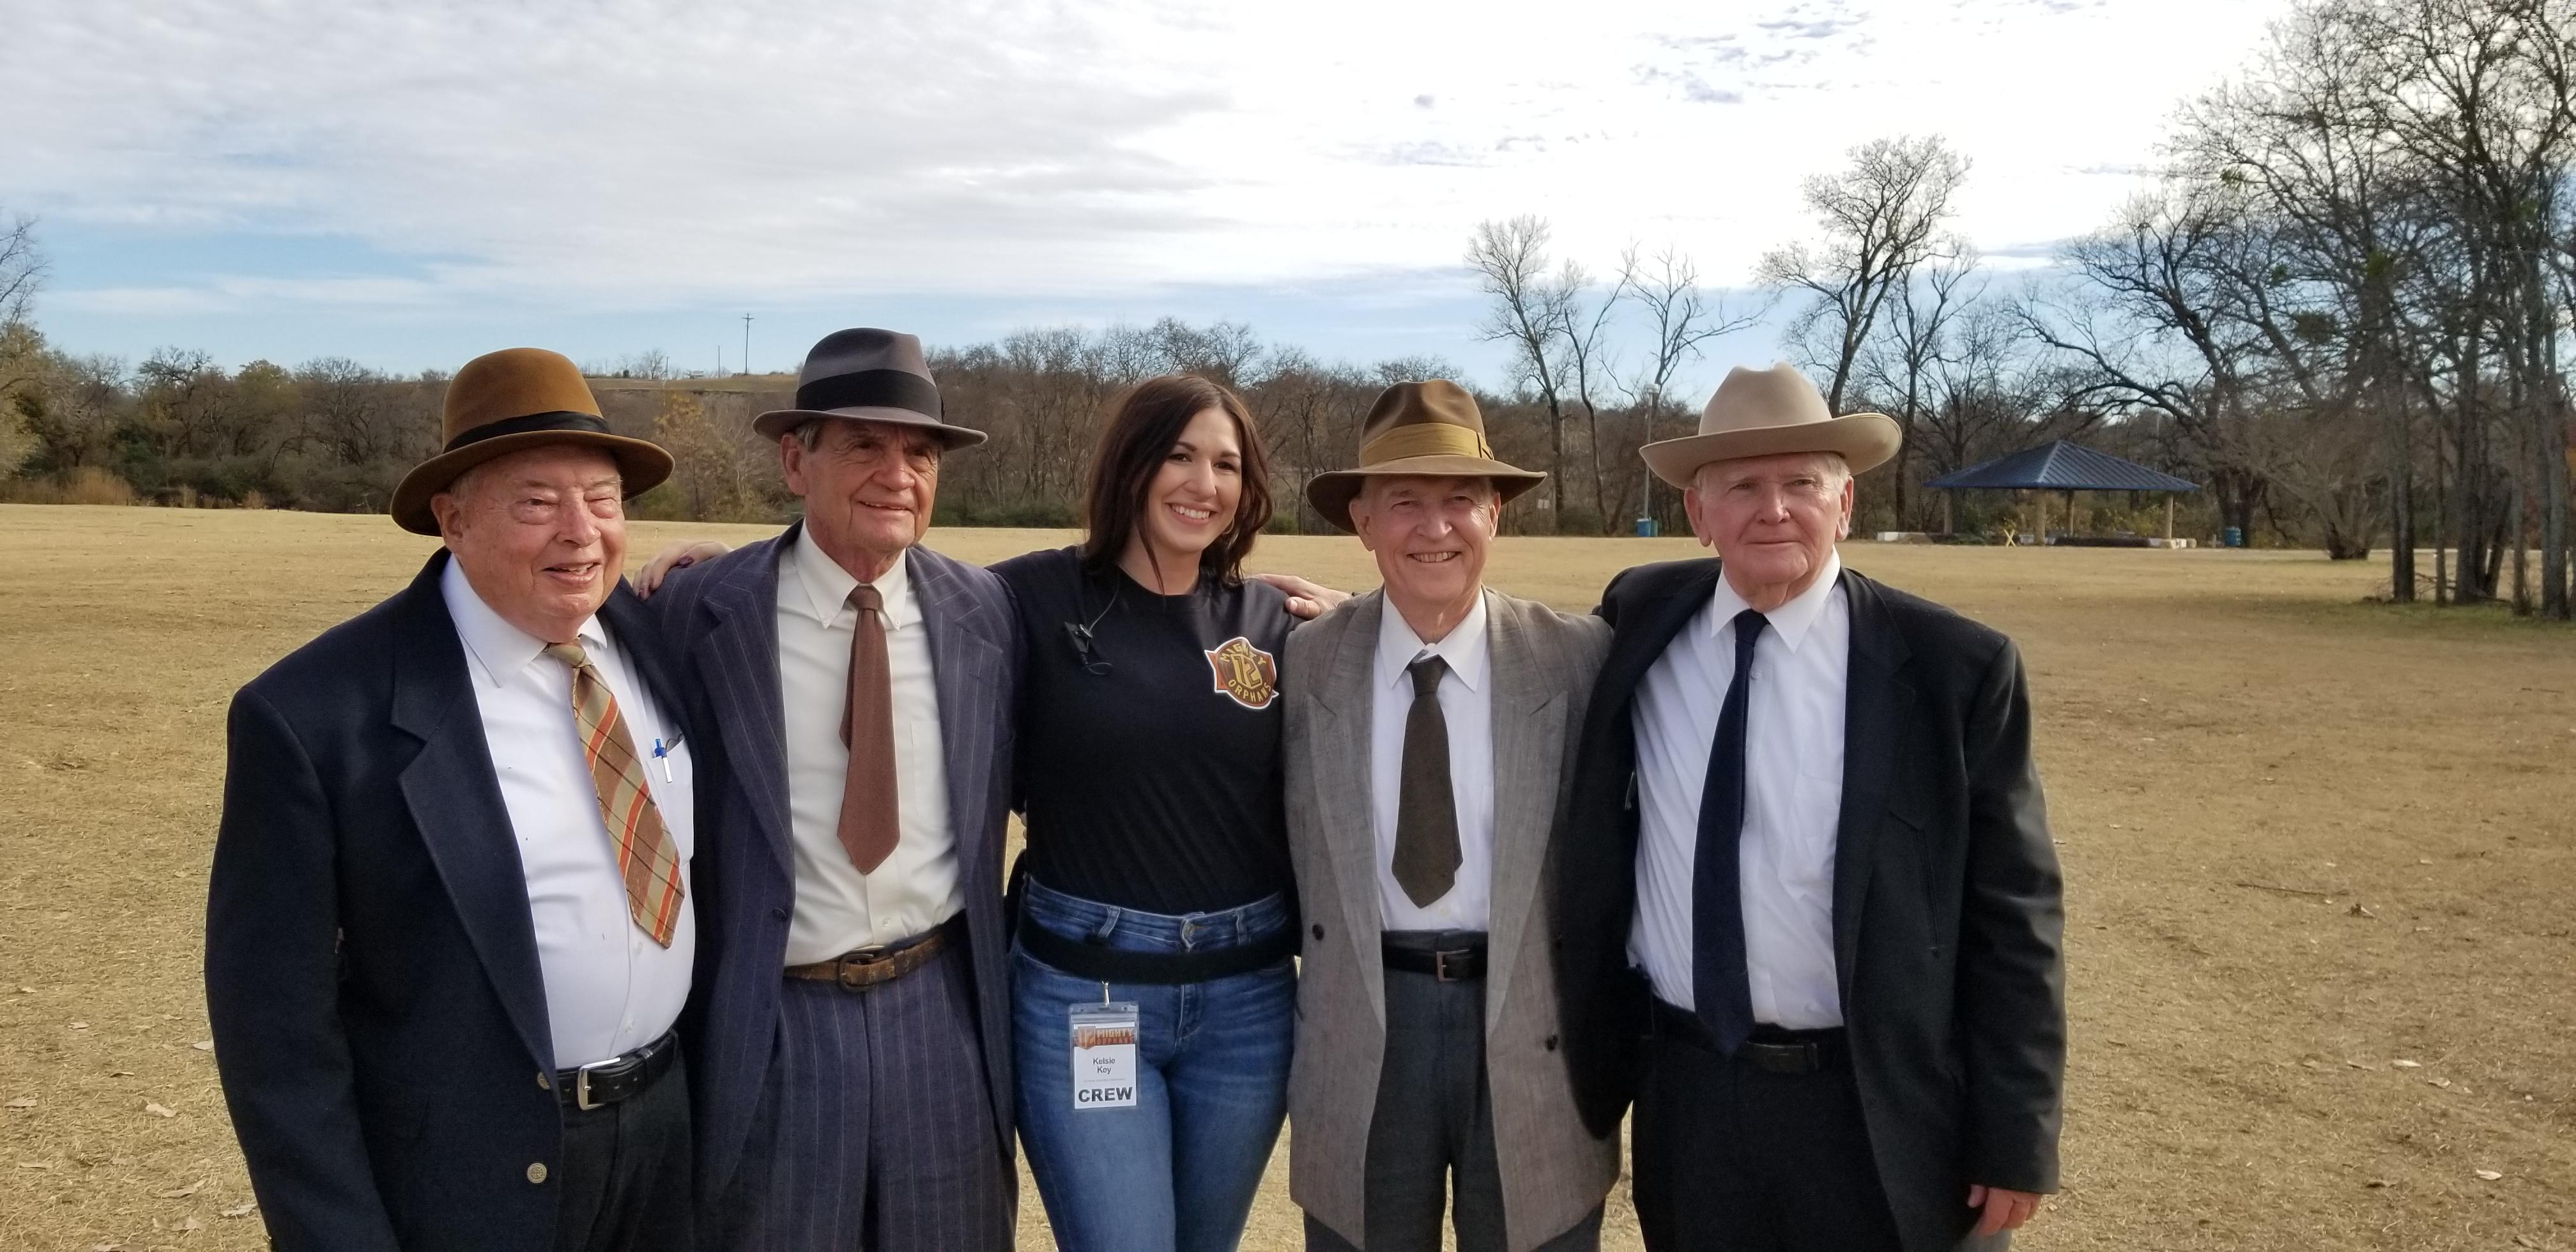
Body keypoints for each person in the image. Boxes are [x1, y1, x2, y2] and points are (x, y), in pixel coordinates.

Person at [1553, 363, 2067, 1252]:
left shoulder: (1953, 669)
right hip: (1690, 1092)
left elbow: (2015, 918)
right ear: (1698, 514)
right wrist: (1368, 618)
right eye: (1743, 486)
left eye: (1801, 483)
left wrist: (2017, 1134)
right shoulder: (1642, 616)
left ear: (1846, 503)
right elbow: (1506, 649)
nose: (1774, 509)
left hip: (1875, 1101)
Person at [206, 347, 699, 1252]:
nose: (581, 532)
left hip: (667, 1142)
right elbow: (274, 1036)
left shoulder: (655, 637)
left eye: (602, 499)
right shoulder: (314, 717)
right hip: (471, 1179)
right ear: (453, 517)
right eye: (537, 501)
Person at [646, 328, 1018, 1249]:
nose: (898, 473)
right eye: (864, 445)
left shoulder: (986, 611)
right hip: (772, 1023)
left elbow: (1136, 607)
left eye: (920, 452)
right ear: (793, 460)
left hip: (943, 1015)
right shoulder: (698, 612)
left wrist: (1295, 610)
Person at [1283, 381, 1617, 1252]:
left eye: (1461, 501)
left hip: (1530, 1031)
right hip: (1364, 1031)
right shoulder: (1308, 663)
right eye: (1405, 504)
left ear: (1497, 514)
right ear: (1361, 522)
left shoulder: (1578, 660)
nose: (1436, 530)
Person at [986, 374, 1302, 1252]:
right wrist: (732, 567)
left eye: (1227, 465)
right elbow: (891, 596)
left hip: (1248, 1008)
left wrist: (1361, 615)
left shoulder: (1272, 621)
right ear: (1131, 463)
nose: (1204, 484)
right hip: (1089, 995)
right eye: (1180, 455)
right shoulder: (1032, 599)